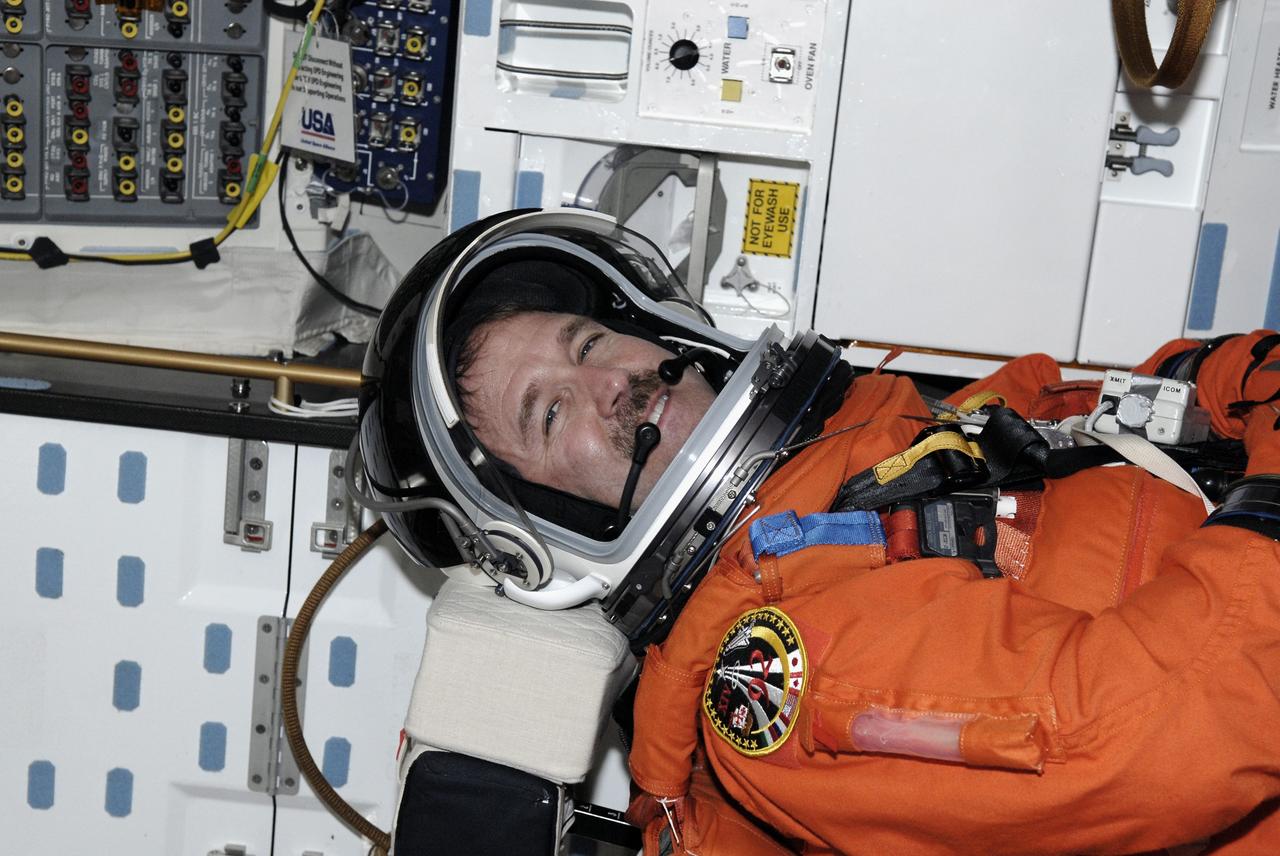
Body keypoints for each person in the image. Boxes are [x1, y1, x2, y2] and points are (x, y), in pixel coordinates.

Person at [358, 209, 1280, 855]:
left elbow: (1114, 415)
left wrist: (1240, 377)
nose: (612, 384)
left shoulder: (868, 452)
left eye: (589, 343)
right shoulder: (786, 667)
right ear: (554, 521)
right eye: (550, 414)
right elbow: (1152, 733)